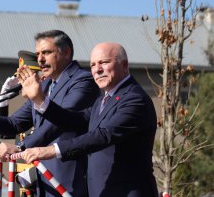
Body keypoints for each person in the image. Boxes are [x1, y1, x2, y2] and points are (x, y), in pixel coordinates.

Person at [0, 30, 100, 197]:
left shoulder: (83, 80)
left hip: (69, 178)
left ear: (66, 52)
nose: (40, 59)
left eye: (46, 53)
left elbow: (61, 123)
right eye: (38, 54)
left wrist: (20, 147)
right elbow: (14, 124)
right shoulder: (45, 86)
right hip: (43, 179)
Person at [19, 42, 159, 197]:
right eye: (93, 65)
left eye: (104, 63)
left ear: (124, 65)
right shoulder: (103, 101)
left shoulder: (134, 99)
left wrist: (52, 150)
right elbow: (73, 120)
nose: (97, 70)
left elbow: (103, 135)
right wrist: (39, 100)